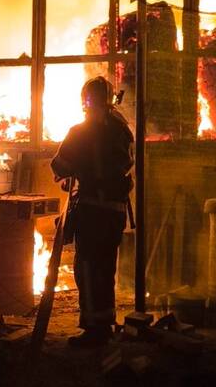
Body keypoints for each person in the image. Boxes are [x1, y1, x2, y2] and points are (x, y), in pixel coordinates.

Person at [51, 76, 135, 348]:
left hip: (91, 212)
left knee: (87, 269)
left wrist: (77, 171)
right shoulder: (123, 130)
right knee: (105, 268)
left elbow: (59, 165)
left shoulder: (80, 131)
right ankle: (105, 324)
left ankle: (94, 330)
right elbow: (125, 162)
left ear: (85, 101)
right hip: (115, 212)